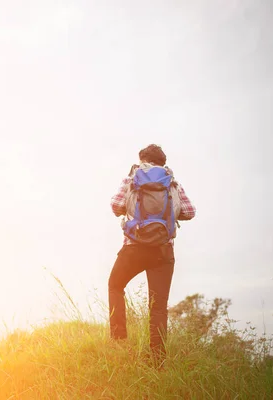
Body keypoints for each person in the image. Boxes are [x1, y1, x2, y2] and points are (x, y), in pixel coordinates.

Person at [108, 144, 196, 367]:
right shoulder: (171, 182)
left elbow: (116, 205)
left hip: (134, 246)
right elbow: (189, 211)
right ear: (163, 162)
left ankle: (118, 339)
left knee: (115, 285)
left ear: (142, 159)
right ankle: (157, 361)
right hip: (162, 251)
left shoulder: (132, 178)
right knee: (158, 306)